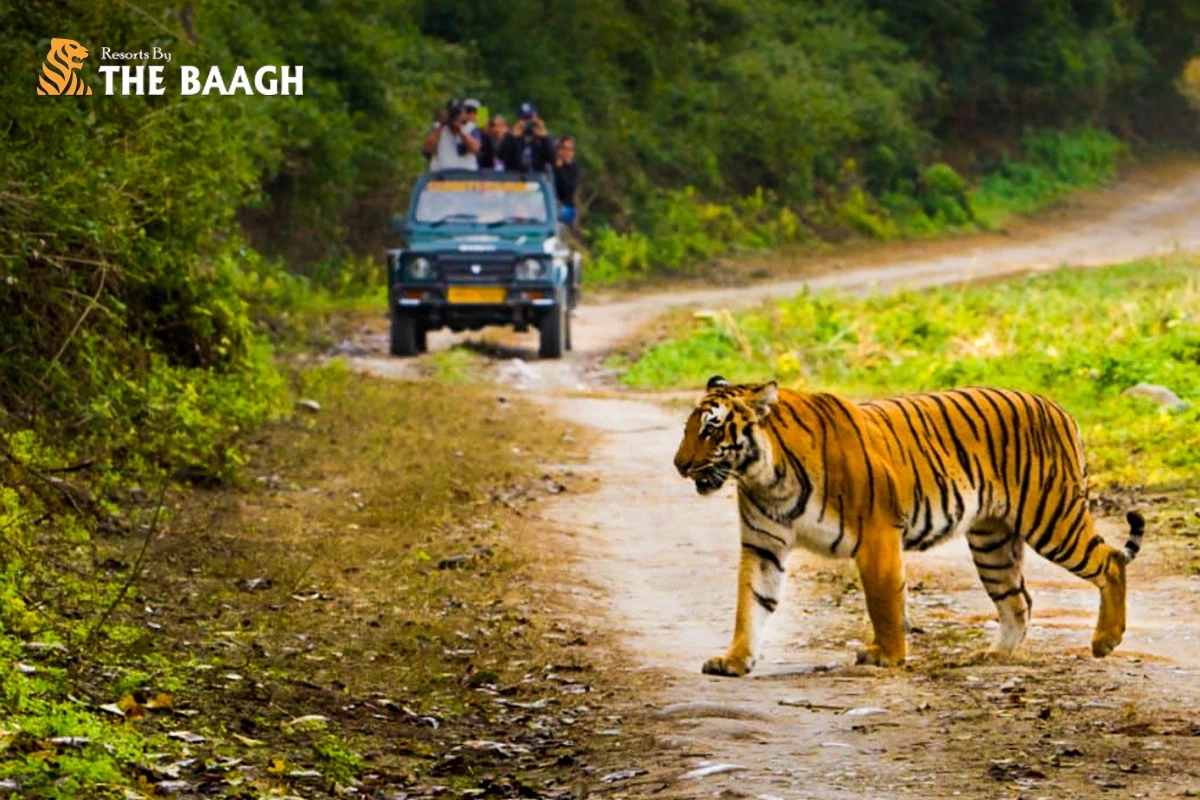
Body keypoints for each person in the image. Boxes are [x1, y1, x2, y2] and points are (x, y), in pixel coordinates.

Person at [421, 98, 480, 171]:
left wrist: (460, 130)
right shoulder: (437, 127)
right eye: (453, 113)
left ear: (464, 113)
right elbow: (427, 149)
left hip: (466, 174)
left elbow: (475, 148)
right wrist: (441, 125)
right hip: (441, 175)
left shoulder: (470, 127)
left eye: (459, 113)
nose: (456, 116)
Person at [499, 101, 554, 173]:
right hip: (515, 178)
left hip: (537, 177)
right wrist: (512, 137)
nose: (528, 122)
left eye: (530, 118)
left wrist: (545, 138)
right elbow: (501, 156)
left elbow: (552, 159)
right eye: (524, 119)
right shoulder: (511, 136)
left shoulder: (543, 138)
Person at [553, 135, 579, 225]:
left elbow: (568, 190)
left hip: (566, 207)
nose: (567, 152)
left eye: (570, 149)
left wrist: (559, 169)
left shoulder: (573, 168)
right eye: (564, 149)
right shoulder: (551, 166)